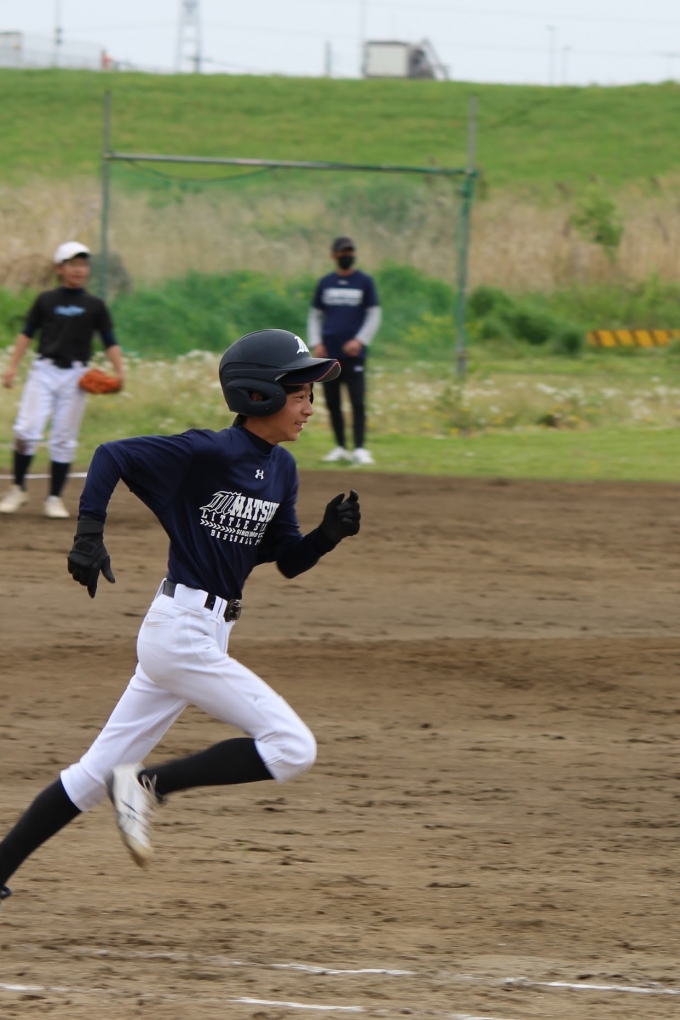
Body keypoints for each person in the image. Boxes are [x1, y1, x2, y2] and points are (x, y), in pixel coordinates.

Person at [0, 330, 361, 903]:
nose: (309, 408)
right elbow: (112, 454)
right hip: (180, 631)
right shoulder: (207, 452)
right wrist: (88, 535)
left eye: (310, 396)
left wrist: (326, 536)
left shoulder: (282, 469)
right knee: (292, 747)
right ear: (259, 395)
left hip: (201, 634)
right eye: (299, 395)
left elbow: (285, 559)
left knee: (92, 775)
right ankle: (146, 784)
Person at [0, 241, 124, 519]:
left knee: (64, 439)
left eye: (83, 264)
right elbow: (27, 333)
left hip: (76, 376)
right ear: (60, 268)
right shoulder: (46, 300)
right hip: (44, 371)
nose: (79, 269)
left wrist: (120, 372)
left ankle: (54, 498)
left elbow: (109, 340)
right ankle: (18, 489)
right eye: (72, 264)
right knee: (26, 429)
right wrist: (12, 368)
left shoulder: (94, 305)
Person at [307, 237, 381, 466]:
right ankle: (340, 447)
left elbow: (374, 314)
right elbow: (315, 316)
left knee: (357, 402)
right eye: (342, 252)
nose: (346, 255)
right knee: (333, 403)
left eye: (350, 251)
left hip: (354, 355)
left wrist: (360, 340)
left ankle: (359, 448)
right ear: (334, 255)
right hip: (329, 355)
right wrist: (316, 343)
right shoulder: (325, 283)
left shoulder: (364, 282)